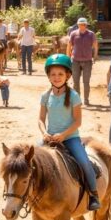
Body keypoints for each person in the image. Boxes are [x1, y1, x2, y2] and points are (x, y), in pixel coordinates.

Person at [40, 54, 100, 211]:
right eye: (53, 74)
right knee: (29, 161)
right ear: (48, 76)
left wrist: (63, 135)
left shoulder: (73, 96)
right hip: (49, 137)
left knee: (84, 163)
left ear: (67, 75)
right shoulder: (45, 96)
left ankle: (93, 195)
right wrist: (44, 133)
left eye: (60, 74)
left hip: (70, 138)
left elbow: (78, 122)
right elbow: (40, 120)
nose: (56, 77)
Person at [67, 17, 97, 106]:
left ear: (86, 25)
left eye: (84, 24)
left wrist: (95, 56)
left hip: (87, 61)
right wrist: (68, 57)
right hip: (75, 60)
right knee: (76, 82)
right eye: (80, 24)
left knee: (86, 82)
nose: (82, 26)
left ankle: (86, 100)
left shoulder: (91, 34)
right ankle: (77, 100)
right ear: (78, 25)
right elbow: (69, 46)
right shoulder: (73, 34)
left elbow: (95, 46)